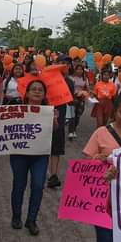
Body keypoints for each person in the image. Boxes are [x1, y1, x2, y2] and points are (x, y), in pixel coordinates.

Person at [82, 92, 121, 242]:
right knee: (105, 238)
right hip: (104, 199)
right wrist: (97, 159)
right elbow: (87, 164)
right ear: (114, 111)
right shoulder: (101, 132)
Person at [9, 80, 50, 236]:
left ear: (44, 94)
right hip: (19, 154)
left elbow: (54, 132)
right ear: (26, 93)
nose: (37, 92)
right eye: (34, 89)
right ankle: (16, 216)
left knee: (38, 185)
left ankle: (31, 220)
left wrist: (54, 121)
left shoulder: (48, 111)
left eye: (40, 89)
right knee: (19, 184)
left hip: (40, 155)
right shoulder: (17, 109)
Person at [47, 56, 73, 189]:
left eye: (67, 64)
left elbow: (71, 101)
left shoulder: (69, 82)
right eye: (62, 63)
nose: (64, 66)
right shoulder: (46, 78)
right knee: (43, 147)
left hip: (60, 119)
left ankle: (53, 175)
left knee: (56, 148)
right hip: (44, 117)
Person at [69, 63, 90, 140]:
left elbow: (87, 89)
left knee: (78, 114)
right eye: (78, 69)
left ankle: (74, 127)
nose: (79, 71)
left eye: (81, 69)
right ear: (75, 70)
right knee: (72, 114)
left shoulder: (85, 79)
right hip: (73, 98)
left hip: (81, 98)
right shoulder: (71, 78)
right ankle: (71, 131)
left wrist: (85, 93)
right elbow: (69, 88)